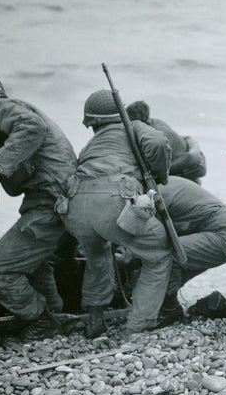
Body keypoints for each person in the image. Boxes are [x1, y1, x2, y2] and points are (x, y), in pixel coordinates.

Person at [0, 71, 78, 340]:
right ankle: (54, 314)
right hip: (55, 201)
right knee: (36, 262)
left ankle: (41, 320)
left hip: (51, 203)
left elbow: (32, 128)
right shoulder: (11, 112)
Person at [60, 89, 174, 338]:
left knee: (97, 256)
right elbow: (157, 142)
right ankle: (137, 328)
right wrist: (160, 176)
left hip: (76, 206)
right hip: (114, 200)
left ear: (92, 123)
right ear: (119, 113)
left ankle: (95, 320)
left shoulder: (90, 145)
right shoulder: (132, 127)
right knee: (159, 253)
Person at [154, 175, 226, 325]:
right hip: (216, 232)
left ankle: (168, 310)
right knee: (162, 261)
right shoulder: (158, 186)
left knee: (165, 255)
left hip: (222, 236)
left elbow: (150, 242)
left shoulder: (154, 195)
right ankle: (165, 305)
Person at [126, 100, 207, 183]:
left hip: (185, 166)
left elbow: (160, 165)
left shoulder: (154, 133)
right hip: (186, 160)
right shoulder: (156, 122)